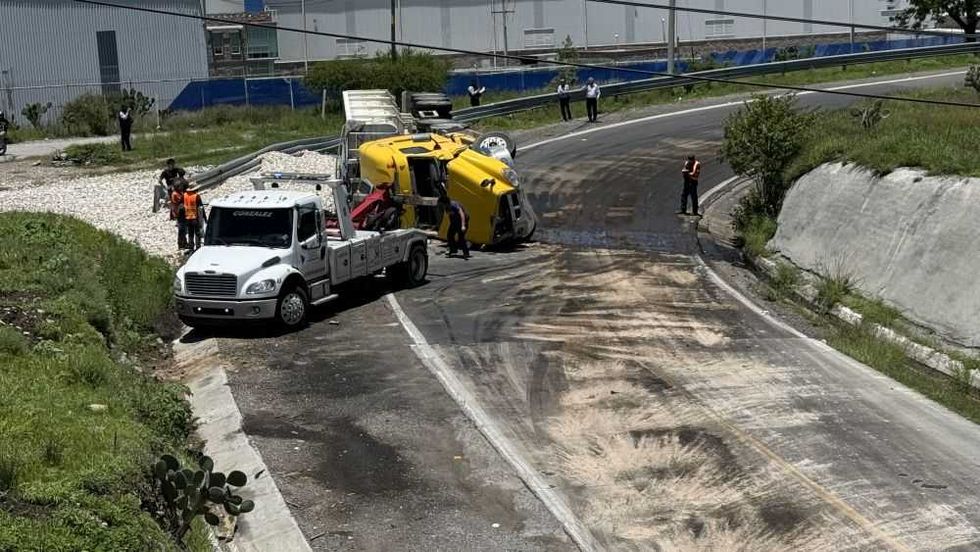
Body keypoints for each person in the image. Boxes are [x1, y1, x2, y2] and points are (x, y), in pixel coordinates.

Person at [183, 185, 207, 251]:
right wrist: (204, 218)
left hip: (187, 217)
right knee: (197, 233)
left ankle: (191, 247)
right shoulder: (196, 196)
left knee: (190, 233)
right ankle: (198, 247)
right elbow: (201, 208)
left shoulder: (185, 195)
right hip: (194, 217)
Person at [170, 179, 188, 250]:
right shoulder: (175, 194)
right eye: (180, 186)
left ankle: (184, 243)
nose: (181, 187)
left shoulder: (180, 192)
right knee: (181, 229)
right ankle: (181, 244)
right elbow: (180, 201)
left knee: (184, 229)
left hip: (182, 212)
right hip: (179, 213)